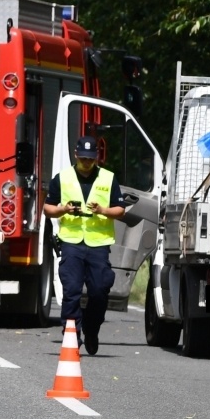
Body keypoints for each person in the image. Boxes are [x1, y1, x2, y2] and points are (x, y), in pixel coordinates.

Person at [43, 135, 131, 355]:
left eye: (90, 159)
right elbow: (47, 209)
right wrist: (63, 209)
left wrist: (102, 210)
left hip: (98, 244)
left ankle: (92, 330)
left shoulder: (108, 179)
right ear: (76, 155)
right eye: (83, 158)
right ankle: (72, 335)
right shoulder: (62, 178)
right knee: (71, 289)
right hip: (71, 242)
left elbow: (120, 210)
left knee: (99, 291)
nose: (86, 162)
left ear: (96, 158)